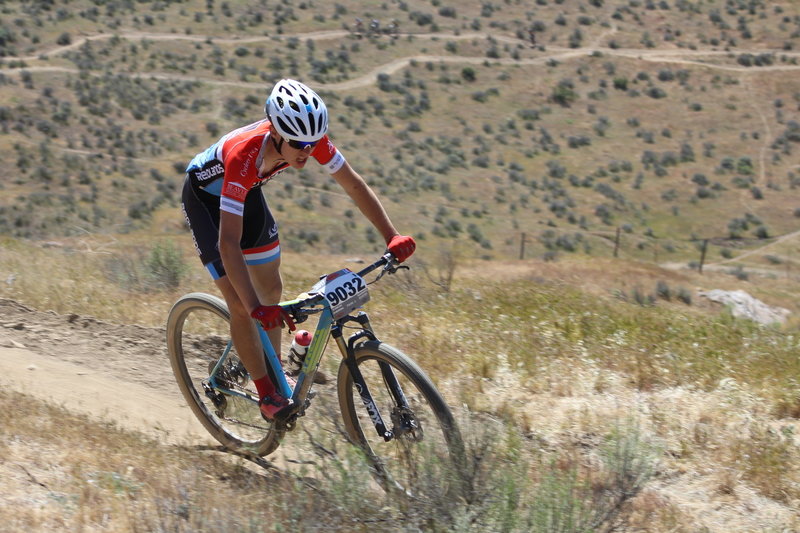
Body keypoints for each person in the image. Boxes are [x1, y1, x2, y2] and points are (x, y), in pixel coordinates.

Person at [181, 79, 416, 421]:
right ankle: (266, 393)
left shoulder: (308, 141)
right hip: (206, 199)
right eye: (296, 144)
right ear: (275, 132)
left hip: (246, 192)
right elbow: (227, 243)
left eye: (311, 143)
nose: (305, 151)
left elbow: (352, 183)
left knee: (271, 289)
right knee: (243, 304)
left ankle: (275, 372)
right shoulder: (244, 156)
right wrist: (254, 307)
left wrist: (391, 235)